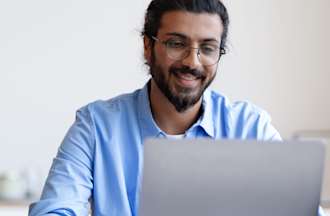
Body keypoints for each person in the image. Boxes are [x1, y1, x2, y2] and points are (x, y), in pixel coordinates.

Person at [28, 0, 325, 215]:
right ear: (148, 46)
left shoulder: (250, 127)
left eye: (207, 48)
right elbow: (55, 210)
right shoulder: (95, 126)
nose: (192, 62)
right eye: (176, 43)